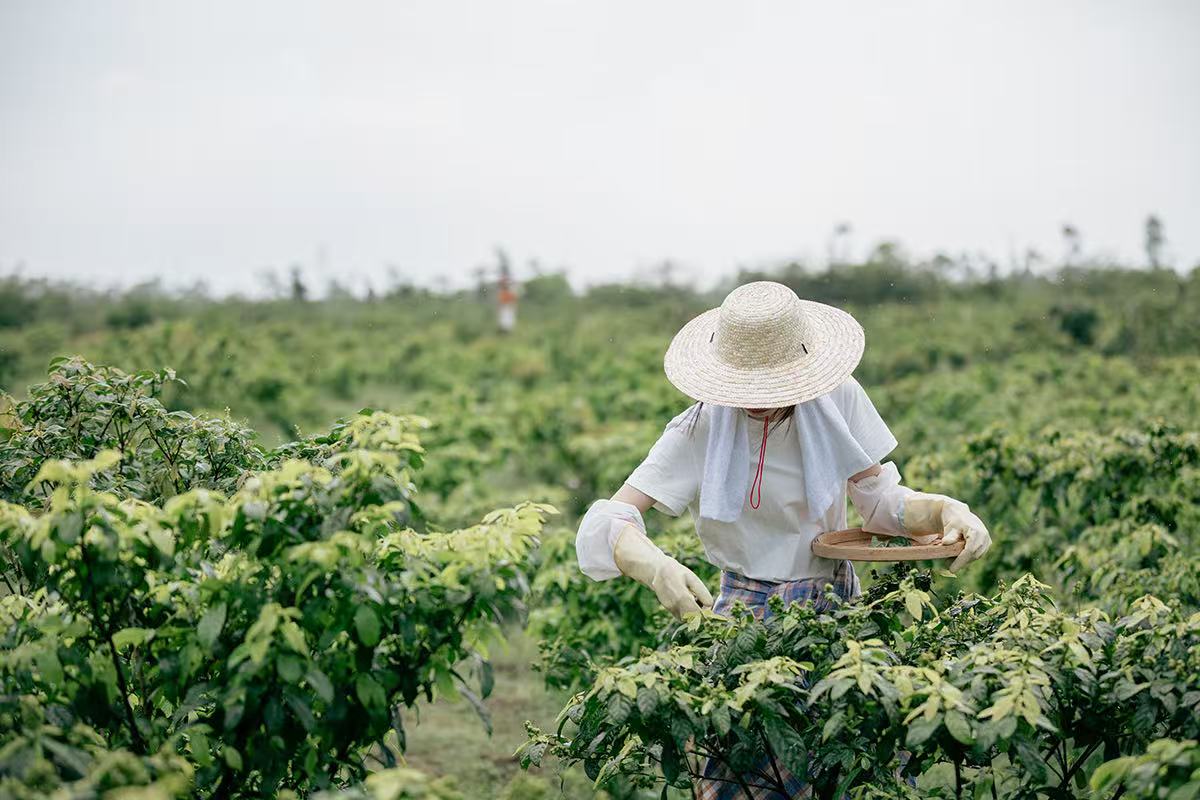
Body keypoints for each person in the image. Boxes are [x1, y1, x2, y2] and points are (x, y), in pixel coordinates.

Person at [575, 280, 991, 798]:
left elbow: (882, 504)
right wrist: (656, 568)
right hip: (746, 619)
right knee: (745, 774)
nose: (760, 402)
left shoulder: (839, 399)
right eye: (746, 388)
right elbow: (607, 521)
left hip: (838, 611)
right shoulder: (702, 425)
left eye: (774, 386)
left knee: (853, 765)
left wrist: (948, 510)